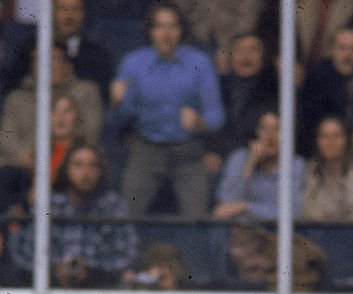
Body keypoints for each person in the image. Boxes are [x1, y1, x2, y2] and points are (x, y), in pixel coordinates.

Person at [111, 2, 225, 218]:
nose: (166, 34)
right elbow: (120, 119)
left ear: (181, 30)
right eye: (160, 27)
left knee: (197, 222)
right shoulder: (133, 63)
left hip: (188, 152)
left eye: (173, 27)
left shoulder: (199, 63)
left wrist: (200, 123)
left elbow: (216, 116)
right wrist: (117, 102)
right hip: (147, 149)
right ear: (150, 31)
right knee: (126, 216)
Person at [9, 142, 139, 287]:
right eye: (78, 165)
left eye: (93, 165)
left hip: (100, 289)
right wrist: (54, 268)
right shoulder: (48, 205)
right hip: (50, 288)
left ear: (101, 171)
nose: (86, 172)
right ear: (66, 169)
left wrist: (91, 270)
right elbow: (23, 252)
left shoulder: (113, 206)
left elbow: (128, 254)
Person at [0, 40, 102, 211]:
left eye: (55, 59)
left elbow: (90, 131)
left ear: (68, 65)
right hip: (24, 164)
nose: (48, 65)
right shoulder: (17, 98)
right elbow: (6, 136)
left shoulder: (85, 91)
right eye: (40, 60)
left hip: (68, 158)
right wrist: (26, 155)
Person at [202, 32, 277, 176]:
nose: (245, 56)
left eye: (252, 50)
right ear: (230, 56)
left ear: (263, 57)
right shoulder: (219, 86)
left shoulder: (274, 87)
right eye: (239, 50)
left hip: (258, 159)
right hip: (219, 158)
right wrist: (210, 150)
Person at [212, 109, 304, 221]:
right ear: (256, 132)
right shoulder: (240, 158)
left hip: (279, 235)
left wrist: (245, 207)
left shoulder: (296, 165)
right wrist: (250, 164)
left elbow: (293, 212)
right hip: (243, 232)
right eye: (264, 128)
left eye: (277, 129)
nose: (270, 136)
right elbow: (225, 205)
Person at [299, 27, 353, 157]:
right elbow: (309, 126)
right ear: (331, 50)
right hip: (321, 155)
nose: (348, 56)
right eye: (342, 48)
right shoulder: (317, 78)